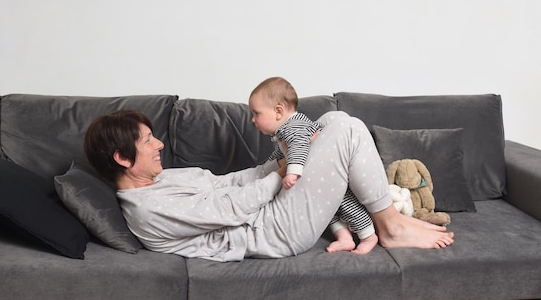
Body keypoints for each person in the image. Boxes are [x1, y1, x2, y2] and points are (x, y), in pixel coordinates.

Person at [84, 109, 454, 262]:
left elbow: (227, 182)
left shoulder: (162, 179)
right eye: (148, 141)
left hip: (268, 209)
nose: (159, 145)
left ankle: (384, 220)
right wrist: (283, 173)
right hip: (273, 231)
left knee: (330, 119)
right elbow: (229, 209)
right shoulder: (146, 208)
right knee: (348, 129)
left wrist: (280, 163)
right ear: (122, 158)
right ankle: (390, 226)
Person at [248, 76, 378, 254]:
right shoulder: (284, 132)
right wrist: (266, 169)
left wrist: (292, 173)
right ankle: (345, 238)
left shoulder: (294, 126)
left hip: (332, 175)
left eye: (256, 114)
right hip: (318, 181)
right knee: (328, 214)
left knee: (347, 205)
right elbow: (280, 156)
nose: (253, 120)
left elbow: (299, 146)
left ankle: (368, 235)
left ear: (278, 111)